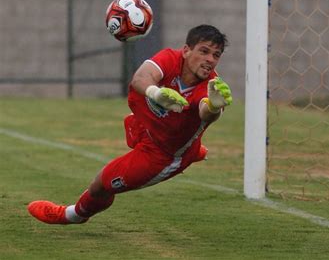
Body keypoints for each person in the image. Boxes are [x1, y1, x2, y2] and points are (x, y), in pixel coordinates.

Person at [27, 24, 233, 224]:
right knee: (138, 122)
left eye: (216, 55)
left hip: (162, 155)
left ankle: (73, 215)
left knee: (102, 184)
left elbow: (206, 113)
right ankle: (194, 148)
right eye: (204, 51)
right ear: (186, 50)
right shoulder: (171, 57)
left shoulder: (213, 87)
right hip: (147, 126)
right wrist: (156, 93)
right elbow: (141, 77)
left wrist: (214, 106)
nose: (210, 60)